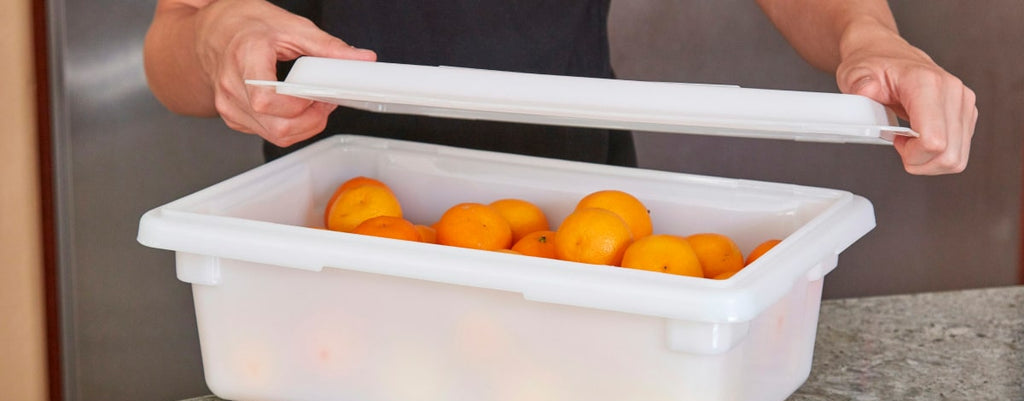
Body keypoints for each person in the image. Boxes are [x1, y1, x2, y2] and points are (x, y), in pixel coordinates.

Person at [143, 0, 977, 175]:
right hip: (337, 233)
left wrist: (869, 36)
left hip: (582, 224)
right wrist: (217, 36)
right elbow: (172, 46)